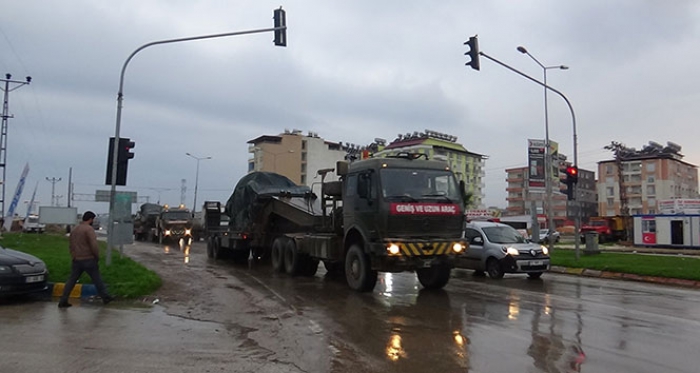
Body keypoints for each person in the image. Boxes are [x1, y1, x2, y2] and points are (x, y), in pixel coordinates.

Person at [58, 211, 114, 308]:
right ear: (90, 219)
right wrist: (96, 256)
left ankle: (63, 299)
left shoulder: (75, 229)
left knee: (71, 280)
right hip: (88, 259)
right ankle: (105, 297)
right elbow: (93, 245)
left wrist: (73, 255)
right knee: (97, 279)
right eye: (93, 219)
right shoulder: (89, 229)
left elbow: (71, 244)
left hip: (76, 259)